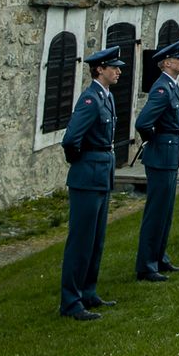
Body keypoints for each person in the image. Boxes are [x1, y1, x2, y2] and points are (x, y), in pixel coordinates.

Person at [59, 46, 123, 320]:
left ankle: (88, 290)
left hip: (100, 175)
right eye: (113, 67)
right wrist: (83, 163)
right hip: (87, 176)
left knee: (96, 239)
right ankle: (71, 301)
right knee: (81, 240)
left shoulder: (105, 97)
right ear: (100, 69)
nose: (118, 71)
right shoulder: (90, 99)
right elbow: (71, 140)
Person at [134, 41, 179, 282]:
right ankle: (146, 264)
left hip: (170, 153)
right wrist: (155, 141)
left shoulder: (172, 86)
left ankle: (159, 257)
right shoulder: (161, 89)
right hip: (161, 153)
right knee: (156, 211)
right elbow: (143, 122)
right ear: (166, 63)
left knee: (166, 210)